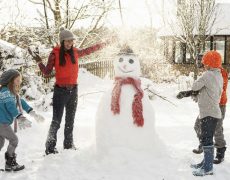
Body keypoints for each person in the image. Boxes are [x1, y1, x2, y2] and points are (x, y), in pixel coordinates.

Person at [29, 27, 109, 155]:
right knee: (56, 120)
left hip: (74, 90)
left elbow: (88, 50)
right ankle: (50, 147)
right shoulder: (54, 54)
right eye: (67, 41)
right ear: (62, 41)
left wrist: (104, 44)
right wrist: (39, 61)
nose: (69, 43)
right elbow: (46, 72)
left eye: (71, 41)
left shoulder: (75, 52)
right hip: (60, 91)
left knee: (70, 119)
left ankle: (68, 144)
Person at [0, 69, 44, 171]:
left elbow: (22, 102)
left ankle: (9, 164)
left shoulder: (11, 92)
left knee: (0, 143)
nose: (20, 81)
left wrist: (34, 114)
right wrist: (19, 117)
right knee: (14, 140)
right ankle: (10, 164)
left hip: (3, 122)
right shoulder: (5, 91)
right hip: (2, 123)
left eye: (20, 79)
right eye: (18, 79)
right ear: (10, 80)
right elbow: (10, 106)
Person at [189, 51, 223, 176]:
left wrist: (200, 77)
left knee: (207, 140)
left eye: (204, 63)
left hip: (208, 113)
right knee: (207, 138)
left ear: (209, 63)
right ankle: (205, 163)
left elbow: (194, 86)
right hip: (212, 112)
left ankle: (208, 168)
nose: (203, 65)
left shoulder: (208, 75)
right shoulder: (218, 74)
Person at [193, 65, 228, 165]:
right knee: (197, 126)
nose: (205, 66)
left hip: (218, 105)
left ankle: (220, 152)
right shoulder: (210, 72)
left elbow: (216, 88)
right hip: (207, 106)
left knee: (217, 130)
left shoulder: (220, 73)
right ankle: (203, 144)